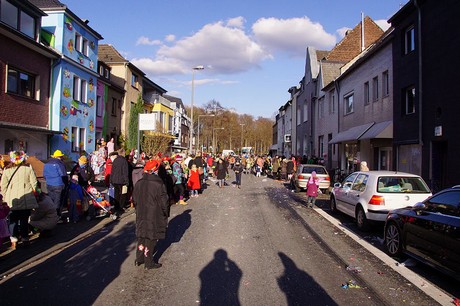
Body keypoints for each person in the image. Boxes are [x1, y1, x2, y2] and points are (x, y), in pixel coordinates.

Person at [132, 160, 169, 270]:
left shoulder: (139, 183)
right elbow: (164, 202)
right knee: (151, 237)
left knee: (142, 235)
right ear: (155, 170)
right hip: (154, 214)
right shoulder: (159, 184)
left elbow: (134, 199)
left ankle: (139, 258)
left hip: (141, 212)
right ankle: (148, 262)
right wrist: (165, 213)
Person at [0, 151, 38, 248]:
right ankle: (25, 238)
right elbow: (34, 183)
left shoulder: (7, 170)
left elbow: (3, 186)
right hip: (26, 198)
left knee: (12, 219)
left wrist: (4, 197)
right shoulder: (28, 169)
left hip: (12, 199)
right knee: (24, 219)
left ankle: (14, 239)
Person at [43, 149, 68, 217]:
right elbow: (63, 175)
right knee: (57, 200)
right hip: (58, 184)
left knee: (51, 200)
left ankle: (51, 215)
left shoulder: (46, 164)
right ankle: (56, 215)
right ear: (59, 157)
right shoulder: (59, 164)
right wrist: (66, 184)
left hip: (49, 184)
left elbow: (44, 175)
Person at [109, 150, 129, 215]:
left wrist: (111, 180)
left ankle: (116, 206)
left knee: (116, 194)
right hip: (122, 181)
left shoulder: (115, 161)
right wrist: (127, 181)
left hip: (115, 180)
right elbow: (125, 172)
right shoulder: (124, 161)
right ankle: (121, 206)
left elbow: (112, 171)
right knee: (123, 194)